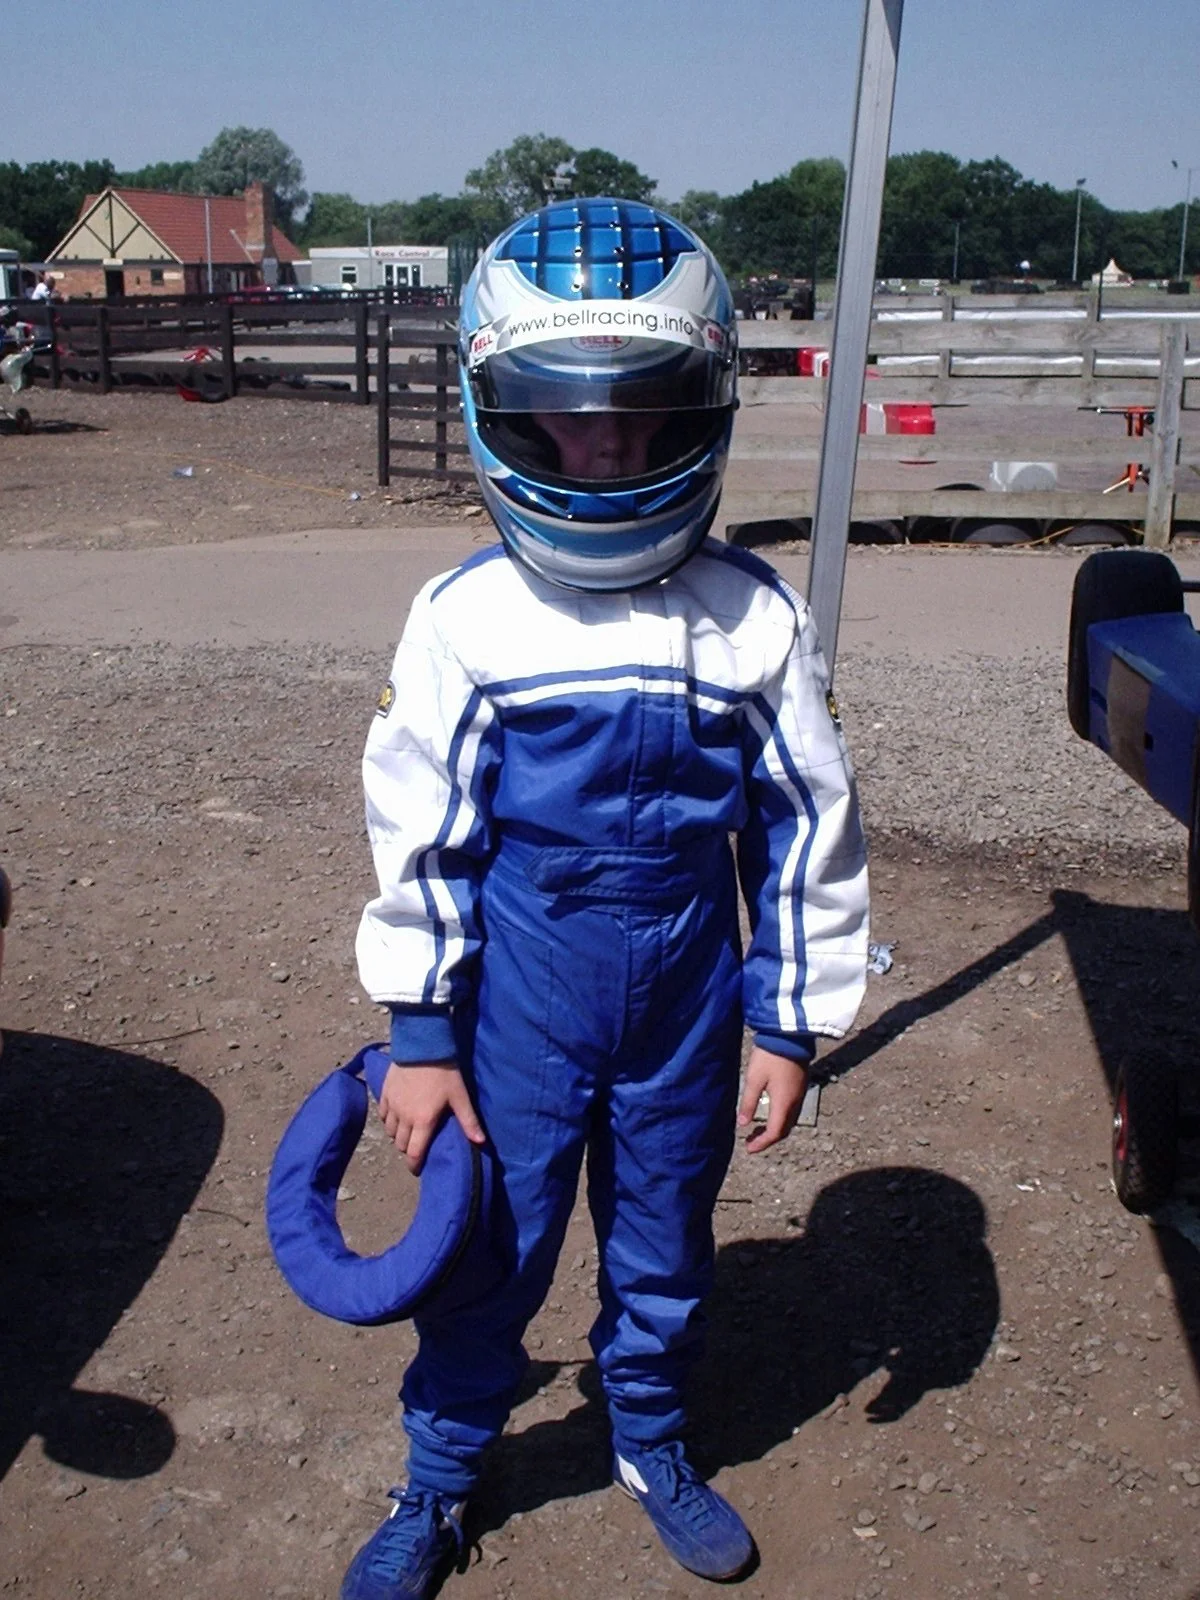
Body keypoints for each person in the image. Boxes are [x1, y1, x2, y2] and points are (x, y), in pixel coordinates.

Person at [344, 197, 869, 1600]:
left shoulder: (750, 619)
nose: (605, 447)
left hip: (688, 1007)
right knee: (488, 1249)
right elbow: (421, 841)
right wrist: (419, 1034)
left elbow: (810, 829)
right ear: (495, 412)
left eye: (643, 417)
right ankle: (443, 1476)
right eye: (564, 418)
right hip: (523, 1001)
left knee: (664, 1239)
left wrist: (790, 1025)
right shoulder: (467, 622)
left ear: (702, 413)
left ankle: (648, 1437)